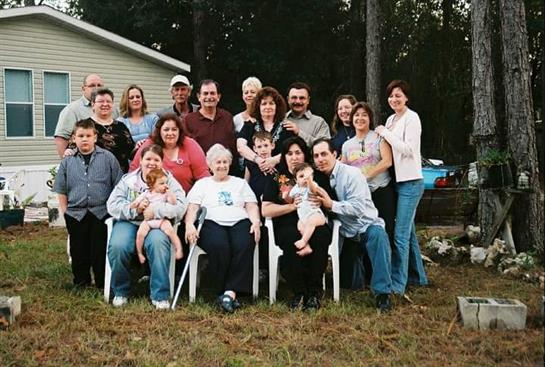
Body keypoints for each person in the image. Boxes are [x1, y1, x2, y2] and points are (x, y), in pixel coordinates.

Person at [311, 138, 393, 312]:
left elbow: (357, 208)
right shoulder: (316, 178)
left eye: (324, 154)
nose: (320, 159)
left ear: (335, 154)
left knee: (378, 237)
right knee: (350, 284)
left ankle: (382, 294)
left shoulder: (352, 174)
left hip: (365, 225)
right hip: (343, 231)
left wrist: (330, 204)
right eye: (316, 156)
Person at [107, 144, 187, 310]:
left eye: (156, 160)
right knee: (118, 245)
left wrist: (156, 210)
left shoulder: (168, 180)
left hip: (157, 223)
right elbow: (112, 205)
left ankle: (160, 294)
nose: (152, 163)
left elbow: (180, 207)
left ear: (161, 163)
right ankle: (121, 291)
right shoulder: (128, 181)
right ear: (140, 161)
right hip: (130, 221)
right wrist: (133, 208)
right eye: (148, 159)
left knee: (158, 244)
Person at [185, 144, 261, 313]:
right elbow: (192, 208)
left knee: (244, 244)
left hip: (239, 221)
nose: (222, 165)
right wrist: (189, 224)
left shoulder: (240, 183)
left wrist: (255, 221)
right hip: (211, 222)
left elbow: (251, 206)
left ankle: (229, 293)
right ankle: (223, 290)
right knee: (221, 246)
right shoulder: (202, 184)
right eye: (218, 162)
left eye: (225, 162)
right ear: (210, 165)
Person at [261, 136, 333, 311]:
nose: (294, 157)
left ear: (304, 155)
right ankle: (299, 292)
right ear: (284, 157)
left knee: (319, 237)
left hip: (314, 221)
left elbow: (330, 203)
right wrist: (291, 207)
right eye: (289, 153)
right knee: (290, 238)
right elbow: (266, 210)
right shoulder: (277, 179)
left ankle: (314, 293)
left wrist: (321, 201)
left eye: (298, 153)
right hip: (287, 223)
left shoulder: (316, 176)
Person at [54, 119, 123, 289]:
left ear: (95, 137)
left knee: (99, 250)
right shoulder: (67, 162)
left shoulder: (108, 158)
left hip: (101, 213)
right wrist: (65, 212)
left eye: (88, 135)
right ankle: (81, 282)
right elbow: (61, 189)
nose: (84, 139)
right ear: (74, 138)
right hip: (76, 213)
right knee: (79, 251)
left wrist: (113, 211)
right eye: (80, 136)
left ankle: (102, 282)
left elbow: (118, 185)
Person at [375, 80, 428, 295]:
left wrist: (385, 133)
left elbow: (407, 149)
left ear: (406, 97)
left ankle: (398, 284)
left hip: (411, 183)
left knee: (400, 235)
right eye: (391, 96)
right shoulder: (391, 119)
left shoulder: (411, 118)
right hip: (396, 181)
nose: (394, 99)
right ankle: (419, 277)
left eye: (398, 95)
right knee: (409, 233)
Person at [341, 102, 396, 245]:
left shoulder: (378, 138)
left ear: (370, 118)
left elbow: (387, 161)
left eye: (364, 115)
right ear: (352, 119)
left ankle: (386, 265)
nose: (360, 118)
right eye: (357, 115)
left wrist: (365, 176)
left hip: (380, 191)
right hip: (360, 196)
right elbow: (344, 169)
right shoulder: (347, 145)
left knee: (385, 231)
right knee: (364, 232)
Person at [130, 113, 210, 194]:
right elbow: (133, 172)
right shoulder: (149, 144)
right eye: (166, 129)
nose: (170, 133)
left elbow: (203, 176)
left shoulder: (190, 144)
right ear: (159, 131)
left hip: (186, 200)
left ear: (180, 131)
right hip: (151, 200)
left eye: (174, 129)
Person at [183, 79, 239, 174]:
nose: (209, 97)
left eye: (212, 93)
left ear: (218, 97)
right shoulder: (189, 120)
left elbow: (233, 148)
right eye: (205, 93)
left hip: (226, 174)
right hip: (200, 175)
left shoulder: (227, 117)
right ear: (199, 97)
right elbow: (186, 150)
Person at [73, 88, 135, 173]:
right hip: (95, 178)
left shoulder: (121, 126)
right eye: (101, 101)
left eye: (108, 101)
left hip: (120, 178)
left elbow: (131, 152)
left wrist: (140, 146)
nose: (105, 104)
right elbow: (72, 149)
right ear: (93, 104)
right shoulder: (85, 126)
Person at [237, 86, 295, 175]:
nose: (268, 107)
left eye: (271, 103)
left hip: (281, 176)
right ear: (258, 106)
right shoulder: (250, 125)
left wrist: (274, 160)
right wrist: (259, 160)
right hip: (254, 175)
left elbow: (292, 150)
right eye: (264, 104)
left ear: (277, 106)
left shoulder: (286, 127)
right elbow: (241, 147)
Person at [131, 168, 183, 264]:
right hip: (148, 221)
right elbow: (138, 200)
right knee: (140, 234)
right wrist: (135, 204)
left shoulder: (165, 194)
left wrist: (170, 194)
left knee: (170, 232)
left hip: (161, 220)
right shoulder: (146, 194)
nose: (165, 185)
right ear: (152, 184)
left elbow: (173, 203)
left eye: (165, 182)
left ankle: (178, 249)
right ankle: (139, 253)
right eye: (161, 183)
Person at [54, 74, 103, 157]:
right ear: (83, 89)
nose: (96, 88)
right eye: (92, 85)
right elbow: (61, 138)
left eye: (99, 85)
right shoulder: (72, 109)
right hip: (83, 162)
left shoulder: (111, 109)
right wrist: (67, 163)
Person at [287, 162, 326, 257]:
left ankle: (303, 241)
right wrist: (285, 197)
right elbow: (290, 200)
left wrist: (310, 182)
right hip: (303, 217)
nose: (305, 178)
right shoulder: (295, 189)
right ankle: (307, 246)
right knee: (300, 226)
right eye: (301, 176)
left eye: (308, 176)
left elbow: (314, 190)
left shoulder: (312, 185)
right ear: (296, 180)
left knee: (311, 222)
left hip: (316, 214)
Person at [284, 82, 330, 147]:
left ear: (308, 100)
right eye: (294, 97)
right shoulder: (280, 120)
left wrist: (299, 133)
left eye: (302, 98)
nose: (298, 101)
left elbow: (324, 148)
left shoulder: (319, 123)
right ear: (288, 99)